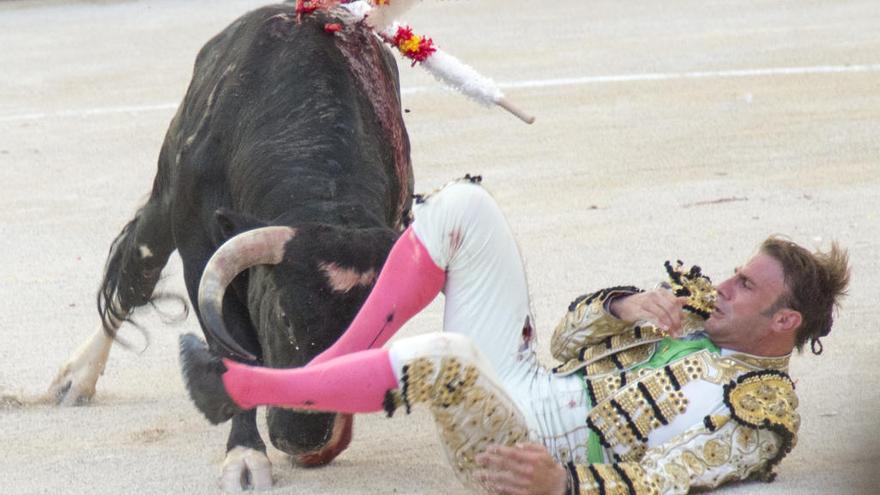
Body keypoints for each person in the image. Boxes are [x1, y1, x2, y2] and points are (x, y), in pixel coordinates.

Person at [179, 177, 850, 494]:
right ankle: (327, 369)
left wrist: (564, 485)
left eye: (745, 286)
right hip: (532, 384)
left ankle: (249, 385)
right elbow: (564, 340)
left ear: (784, 322)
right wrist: (623, 305)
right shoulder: (695, 314)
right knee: (464, 207)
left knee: (450, 359)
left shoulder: (761, 410)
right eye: (735, 274)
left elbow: (668, 478)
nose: (724, 287)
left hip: (527, 455)